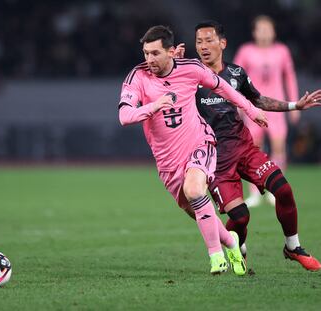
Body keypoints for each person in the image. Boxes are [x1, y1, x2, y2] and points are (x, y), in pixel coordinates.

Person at [118, 25, 268, 275]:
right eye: (145, 53)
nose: (149, 60)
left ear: (171, 52)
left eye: (155, 53)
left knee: (195, 190)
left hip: (200, 143)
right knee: (197, 208)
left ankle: (216, 257)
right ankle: (231, 242)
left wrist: (252, 111)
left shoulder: (191, 69)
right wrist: (153, 106)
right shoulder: (138, 77)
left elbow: (225, 89)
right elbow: (124, 115)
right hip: (167, 162)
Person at [183, 20, 321, 271]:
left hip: (245, 148)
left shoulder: (236, 73)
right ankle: (239, 248)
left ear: (222, 43)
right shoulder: (189, 78)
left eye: (208, 40)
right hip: (216, 159)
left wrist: (294, 106)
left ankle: (293, 247)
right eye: (199, 42)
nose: (203, 46)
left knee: (284, 190)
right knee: (241, 217)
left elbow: (257, 99)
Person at [234, 15, 300, 207]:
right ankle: (255, 192)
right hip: (253, 106)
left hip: (276, 106)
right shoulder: (246, 51)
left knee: (278, 147)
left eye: (267, 28)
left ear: (274, 31)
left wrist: (294, 104)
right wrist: (238, 104)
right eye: (260, 29)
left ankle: (275, 190)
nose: (264, 32)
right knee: (255, 148)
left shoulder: (282, 51)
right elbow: (235, 78)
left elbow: (290, 77)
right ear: (254, 32)